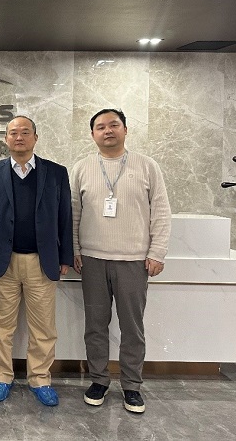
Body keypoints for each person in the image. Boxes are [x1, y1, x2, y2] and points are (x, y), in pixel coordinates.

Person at [71, 108, 170, 414]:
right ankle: (98, 380)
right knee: (95, 326)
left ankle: (132, 386)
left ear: (125, 129)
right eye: (100, 127)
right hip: (92, 260)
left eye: (114, 125)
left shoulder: (147, 166)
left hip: (134, 261)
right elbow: (73, 212)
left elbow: (161, 211)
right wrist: (74, 249)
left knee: (132, 328)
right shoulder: (82, 168)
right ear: (92, 134)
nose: (107, 131)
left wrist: (157, 252)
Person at [0, 115, 72, 407]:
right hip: (2, 261)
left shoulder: (56, 173)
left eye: (25, 132)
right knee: (0, 325)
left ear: (35, 137)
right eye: (13, 133)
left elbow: (65, 217)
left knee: (43, 327)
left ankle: (40, 379)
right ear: (6, 139)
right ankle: (0, 377)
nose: (19, 137)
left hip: (42, 262)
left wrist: (65, 256)